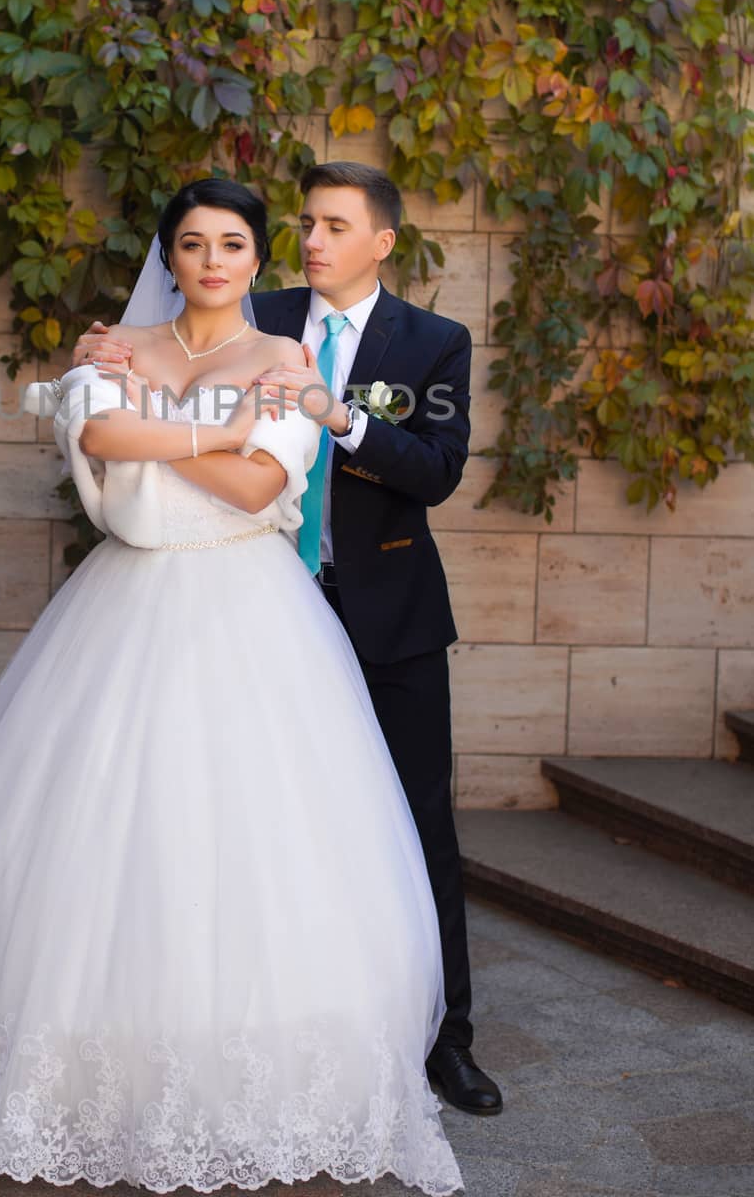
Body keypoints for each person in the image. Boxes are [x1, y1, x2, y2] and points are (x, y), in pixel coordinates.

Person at [0, 176, 463, 1195]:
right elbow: (100, 439)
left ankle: (388, 1049)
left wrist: (176, 428)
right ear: (168, 257)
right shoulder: (119, 348)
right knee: (90, 825)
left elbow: (264, 484)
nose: (212, 259)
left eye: (233, 243)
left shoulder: (285, 352)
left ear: (255, 261)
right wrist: (210, 425)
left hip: (257, 610)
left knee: (272, 835)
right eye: (191, 243)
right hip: (125, 601)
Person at [76, 161, 502, 1118]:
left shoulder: (432, 343)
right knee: (241, 819)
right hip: (251, 596)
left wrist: (338, 416)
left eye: (335, 226)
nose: (312, 241)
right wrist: (104, 352)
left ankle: (446, 1040)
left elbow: (434, 472)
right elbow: (164, 333)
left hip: (381, 607)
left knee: (415, 823)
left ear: (381, 242)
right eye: (305, 223)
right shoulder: (251, 301)